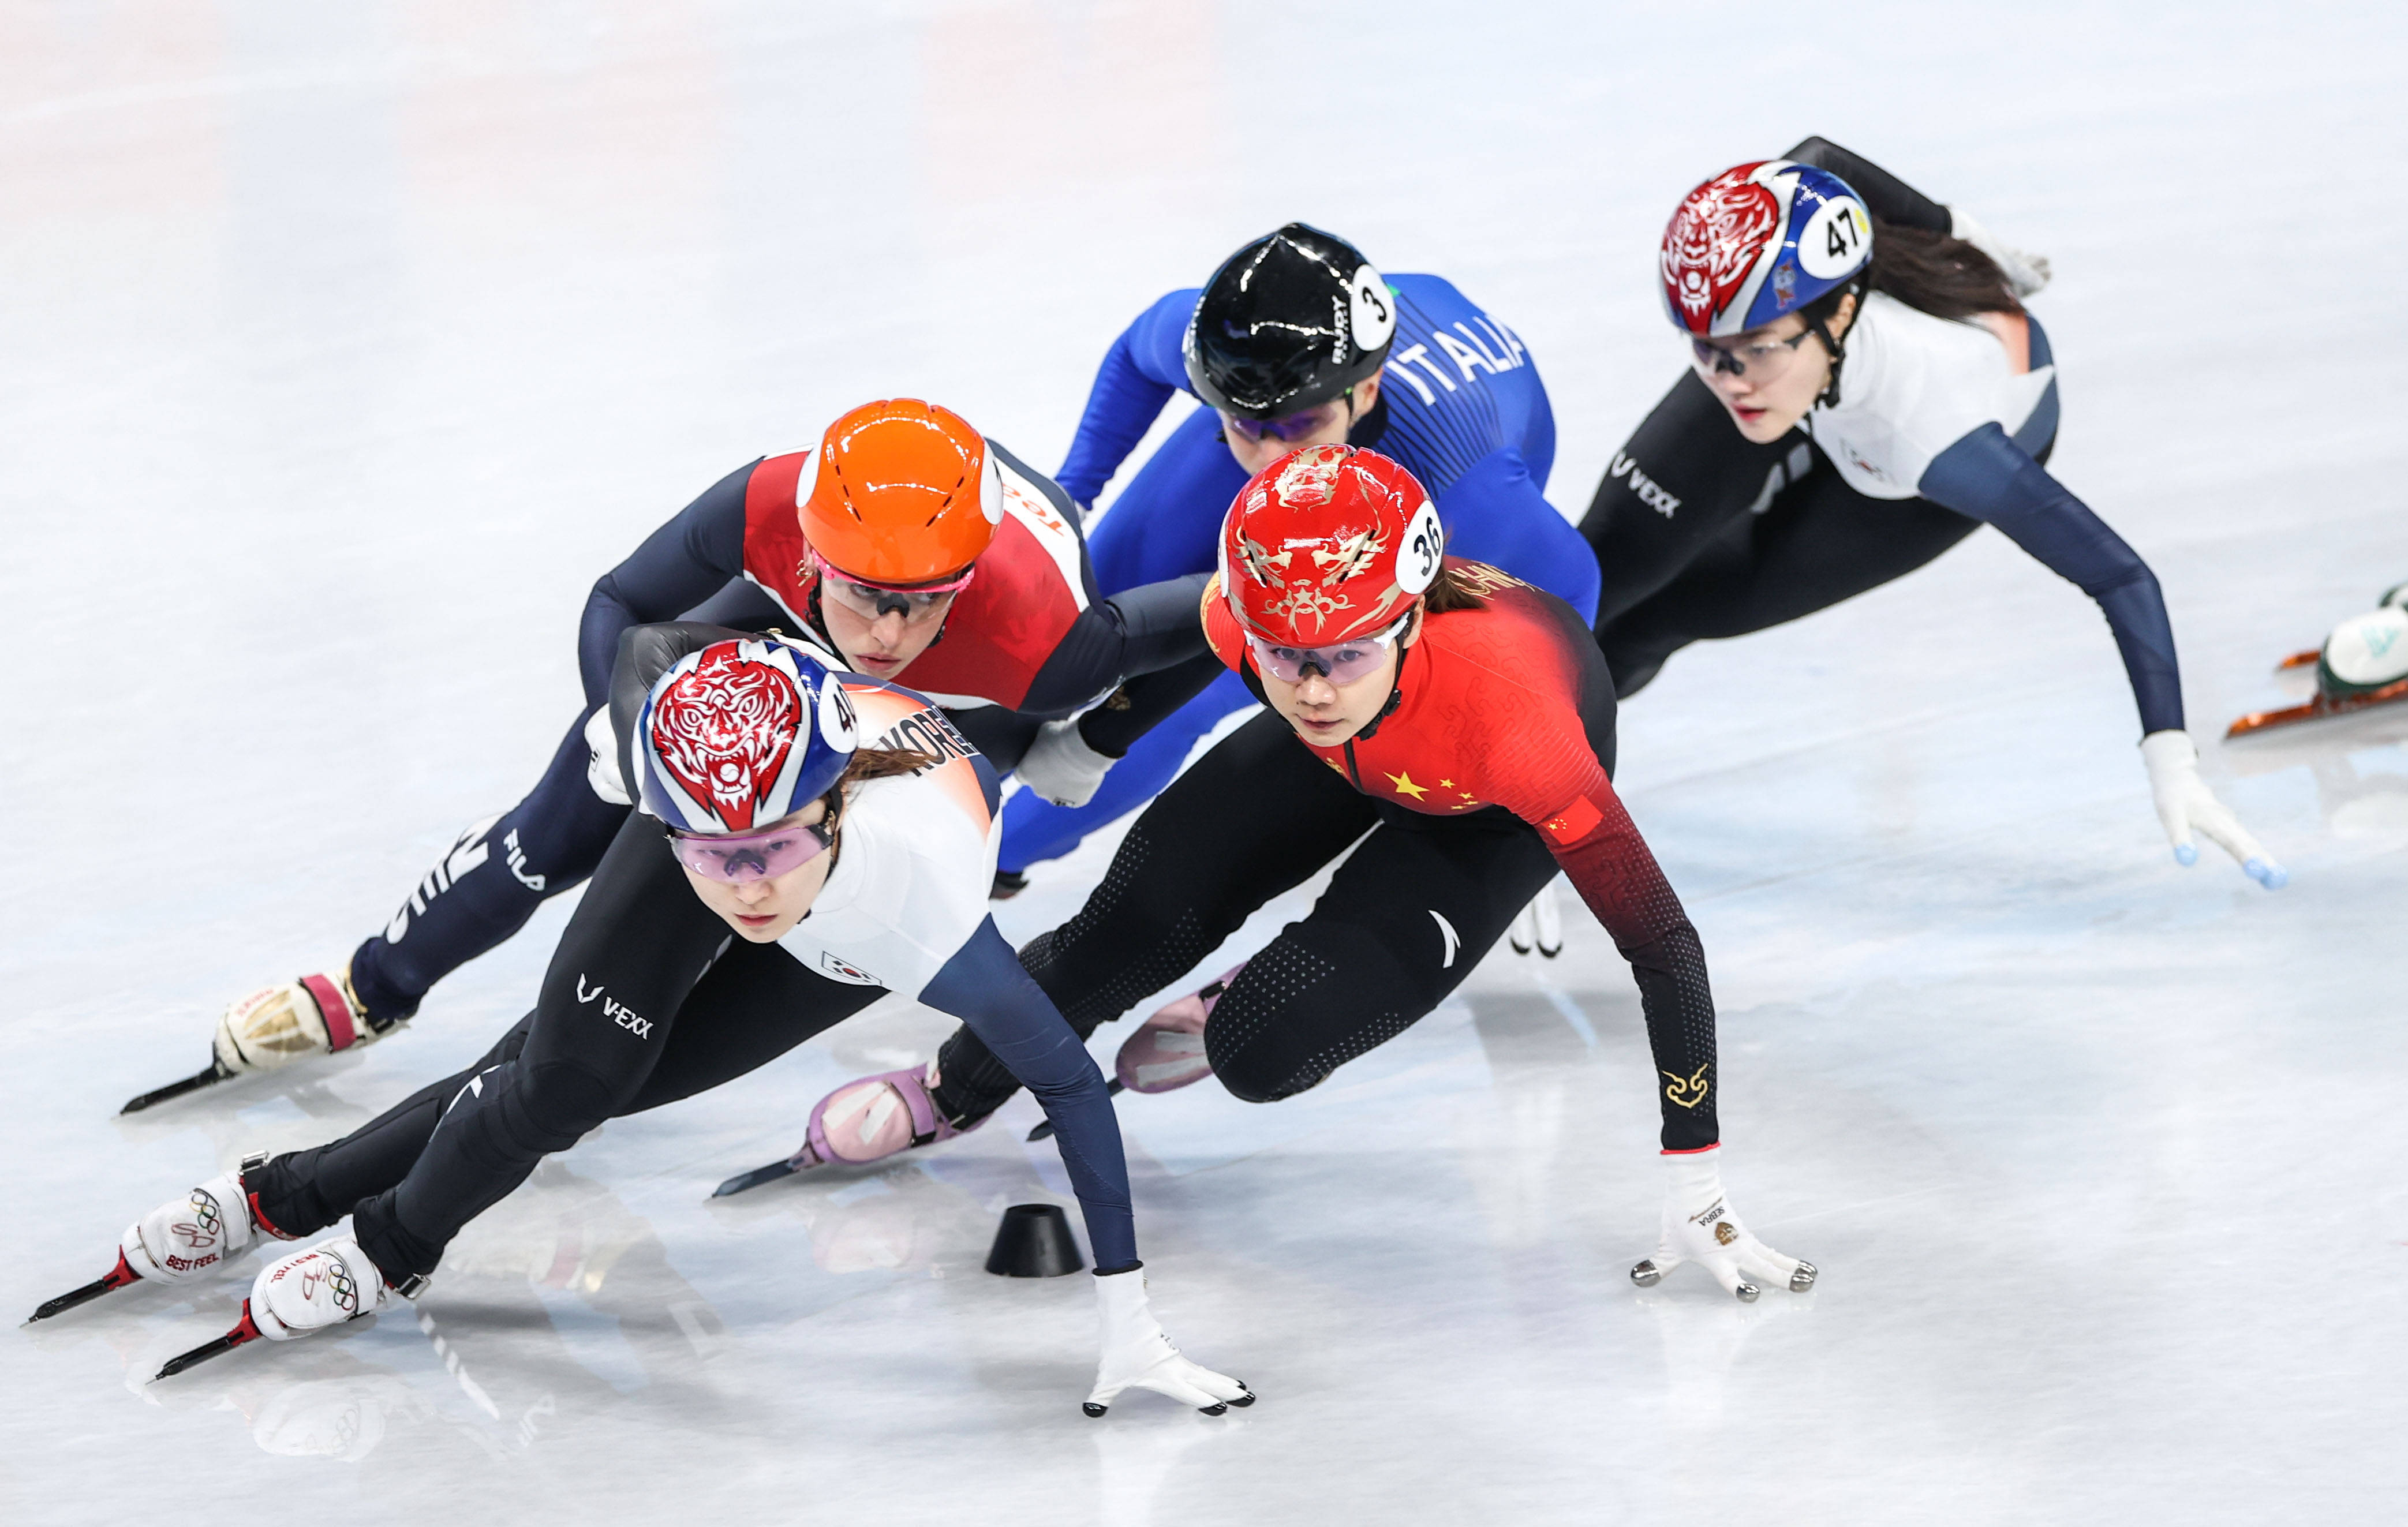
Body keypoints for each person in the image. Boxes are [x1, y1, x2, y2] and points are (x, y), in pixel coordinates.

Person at [46, 630, 1251, 1416]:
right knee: (557, 1074)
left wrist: (1127, 1320)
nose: (743, 886)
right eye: (712, 857)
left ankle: (340, 1223)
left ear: (830, 810)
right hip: (747, 773)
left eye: (770, 852)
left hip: (856, 917)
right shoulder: (693, 780)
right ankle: (324, 1217)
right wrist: (699, 812)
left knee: (582, 1082)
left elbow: (1075, 1090)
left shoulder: (923, 912)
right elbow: (647, 643)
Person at [791, 445, 1813, 1303]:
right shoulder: (1265, 622)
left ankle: (1234, 997)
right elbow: (1099, 651)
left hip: (1478, 809)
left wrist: (1696, 1168)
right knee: (1119, 929)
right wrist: (1018, 728)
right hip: (1348, 759)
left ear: (1409, 621)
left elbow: (1664, 946)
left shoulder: (1525, 730)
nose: (1311, 685)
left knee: (1261, 1051)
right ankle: (949, 1086)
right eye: (1281, 656)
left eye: (1340, 655)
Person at [154, 399, 1219, 1105]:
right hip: (766, 627)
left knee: (784, 889)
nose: (884, 633)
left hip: (958, 689)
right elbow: (621, 601)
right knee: (563, 823)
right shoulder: (766, 504)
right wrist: (624, 742)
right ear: (809, 550)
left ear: (961, 585)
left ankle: (584, 1045)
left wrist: (1088, 744)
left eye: (914, 605)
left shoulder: (1047, 645)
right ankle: (379, 979)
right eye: (863, 595)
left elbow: (1216, 621)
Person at [1578, 140, 2283, 888]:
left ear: (1843, 306)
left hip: (1900, 486)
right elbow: (1819, 158)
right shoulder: (1772, 333)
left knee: (1672, 612)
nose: (1727, 379)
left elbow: (2122, 576)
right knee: (1597, 571)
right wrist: (1961, 227)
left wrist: (2170, 755)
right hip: (1827, 370)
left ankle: (1527, 805)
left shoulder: (1941, 440)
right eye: (1704, 349)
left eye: (1749, 350)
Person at [990, 223, 1600, 894]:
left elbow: (1574, 583)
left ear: (1364, 391)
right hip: (1325, 416)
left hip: (1404, 494)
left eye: (1294, 430)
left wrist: (1524, 744)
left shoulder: (1471, 496)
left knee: (1182, 700)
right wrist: (1073, 494)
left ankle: (991, 866)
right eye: (1243, 428)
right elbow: (1141, 349)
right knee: (1076, 614)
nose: (1270, 460)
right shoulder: (1249, 365)